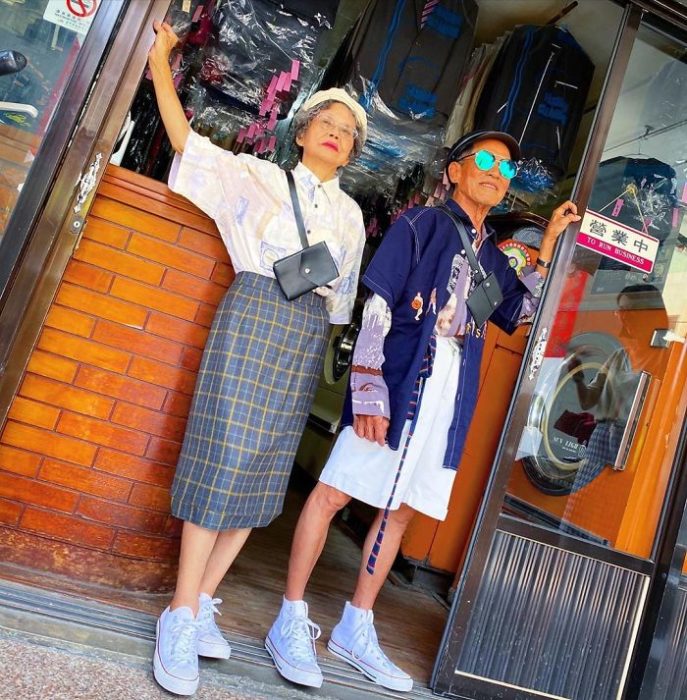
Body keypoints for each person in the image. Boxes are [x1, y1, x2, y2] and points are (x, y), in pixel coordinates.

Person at [266, 130, 579, 692]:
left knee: (402, 509)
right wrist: (368, 391)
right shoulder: (418, 225)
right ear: (455, 171)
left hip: (450, 397)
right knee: (336, 491)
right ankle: (290, 615)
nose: (496, 171)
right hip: (399, 383)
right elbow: (378, 307)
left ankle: (355, 626)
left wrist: (549, 245)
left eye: (506, 167)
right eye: (484, 160)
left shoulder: (494, 256)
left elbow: (518, 310)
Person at [146, 21, 368, 697]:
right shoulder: (257, 178)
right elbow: (185, 144)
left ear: (352, 150)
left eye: (347, 130)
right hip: (251, 313)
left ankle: (206, 599)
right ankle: (179, 613)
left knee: (265, 470)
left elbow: (339, 304)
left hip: (303, 336)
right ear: (300, 131)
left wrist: (324, 347)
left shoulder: (353, 215)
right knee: (221, 455)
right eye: (324, 121)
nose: (335, 132)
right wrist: (160, 60)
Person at [566, 284, 669, 491]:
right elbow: (588, 401)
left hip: (636, 444)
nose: (621, 316)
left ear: (649, 314)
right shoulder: (618, 356)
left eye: (628, 310)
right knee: (581, 506)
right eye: (620, 310)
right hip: (600, 440)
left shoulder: (666, 359)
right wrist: (577, 377)